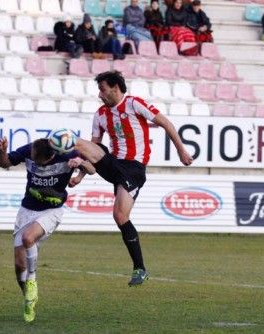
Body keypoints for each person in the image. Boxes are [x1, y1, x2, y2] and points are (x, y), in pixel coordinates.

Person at [72, 71, 193, 286]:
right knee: (80, 144)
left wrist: (181, 150)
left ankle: (140, 269)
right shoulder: (100, 114)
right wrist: (81, 174)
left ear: (116, 88)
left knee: (120, 216)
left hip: (133, 169)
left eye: (103, 89)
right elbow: (94, 148)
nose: (100, 95)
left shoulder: (134, 104)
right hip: (112, 164)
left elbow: (165, 123)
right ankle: (65, 159)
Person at [0, 138, 94, 323]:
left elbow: (92, 169)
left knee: (28, 239)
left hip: (52, 210)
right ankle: (29, 298)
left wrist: (80, 167)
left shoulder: (66, 154)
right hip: (26, 211)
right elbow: (4, 163)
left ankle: (32, 280)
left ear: (50, 157)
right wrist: (3, 151)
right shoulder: (30, 149)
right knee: (19, 266)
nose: (33, 161)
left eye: (37, 161)